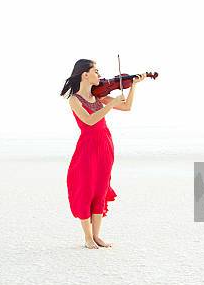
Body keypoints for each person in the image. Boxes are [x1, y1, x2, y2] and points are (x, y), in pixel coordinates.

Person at [60, 59, 146, 249]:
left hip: (105, 146)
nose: (99, 75)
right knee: (85, 189)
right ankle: (88, 237)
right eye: (96, 71)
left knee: (100, 188)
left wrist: (133, 86)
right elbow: (89, 120)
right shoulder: (74, 99)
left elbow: (126, 107)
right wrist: (111, 103)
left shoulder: (98, 96)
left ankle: (97, 236)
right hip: (87, 148)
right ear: (85, 75)